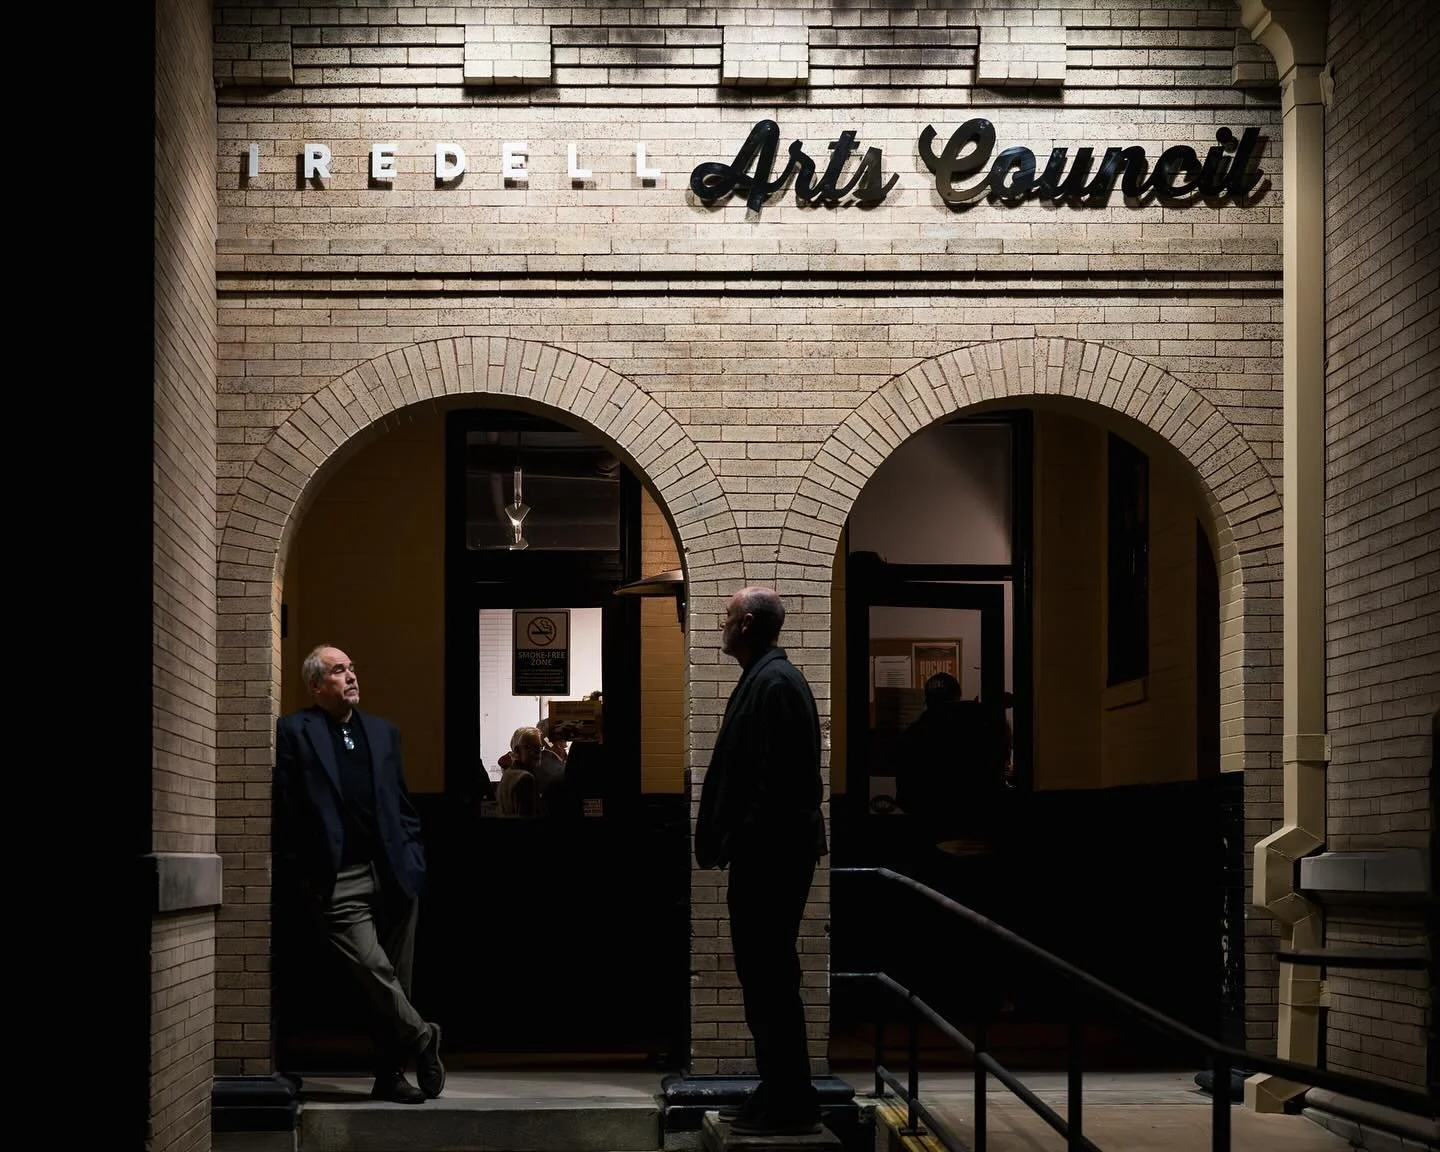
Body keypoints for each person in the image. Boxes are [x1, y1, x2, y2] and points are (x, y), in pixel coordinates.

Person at [273, 645, 445, 1104]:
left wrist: (414, 858)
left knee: (396, 978)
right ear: (316, 686)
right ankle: (424, 1036)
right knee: (373, 970)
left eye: (351, 667)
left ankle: (390, 1076)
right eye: (338, 670)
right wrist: (301, 871)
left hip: (394, 872)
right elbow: (287, 807)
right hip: (337, 876)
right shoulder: (294, 730)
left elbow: (401, 803)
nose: (351, 675)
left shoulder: (383, 733)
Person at [695, 587, 827, 1137]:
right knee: (766, 977)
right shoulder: (769, 678)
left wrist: (740, 837)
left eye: (727, 617)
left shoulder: (774, 684)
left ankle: (789, 1104)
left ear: (747, 624)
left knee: (769, 978)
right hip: (770, 852)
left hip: (770, 856)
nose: (720, 626)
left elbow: (776, 784)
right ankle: (779, 1089)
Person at [497, 725, 544, 817]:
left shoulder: (507, 773)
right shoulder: (525, 778)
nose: (538, 751)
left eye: (539, 746)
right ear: (517, 750)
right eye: (531, 746)